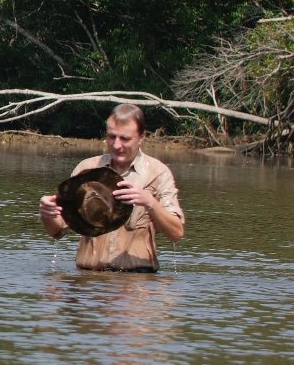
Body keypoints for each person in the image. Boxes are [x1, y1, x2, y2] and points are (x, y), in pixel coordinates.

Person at [39, 104, 185, 272]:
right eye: (111, 137)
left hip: (138, 285)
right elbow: (57, 231)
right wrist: (47, 213)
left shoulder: (157, 174)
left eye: (125, 139)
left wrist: (149, 202)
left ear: (141, 137)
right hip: (89, 283)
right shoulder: (87, 169)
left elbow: (176, 233)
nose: (116, 145)